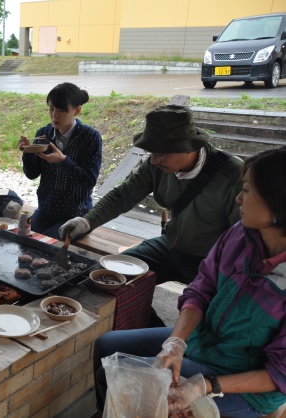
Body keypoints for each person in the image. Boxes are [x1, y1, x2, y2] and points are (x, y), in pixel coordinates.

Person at [92, 146, 286, 417]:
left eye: (248, 190)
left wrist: (205, 385)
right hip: (204, 343)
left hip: (244, 382)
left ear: (278, 202)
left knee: (128, 380)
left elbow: (280, 373)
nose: (239, 199)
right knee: (107, 345)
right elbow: (202, 289)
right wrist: (177, 342)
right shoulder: (240, 235)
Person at [59, 104, 243, 326]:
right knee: (103, 278)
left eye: (160, 154)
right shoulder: (157, 164)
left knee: (212, 320)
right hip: (170, 247)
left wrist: (225, 281)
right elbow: (124, 194)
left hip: (211, 260)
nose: (154, 161)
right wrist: (87, 221)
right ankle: (150, 329)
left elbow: (243, 239)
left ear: (188, 148)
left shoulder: (233, 174)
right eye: (152, 154)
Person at [18, 82, 102, 239]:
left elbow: (89, 180)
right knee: (23, 236)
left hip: (75, 214)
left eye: (61, 110)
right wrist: (28, 152)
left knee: (47, 244)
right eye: (51, 108)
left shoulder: (90, 137)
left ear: (77, 110)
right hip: (46, 209)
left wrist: (64, 160)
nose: (54, 115)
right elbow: (32, 174)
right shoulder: (44, 133)